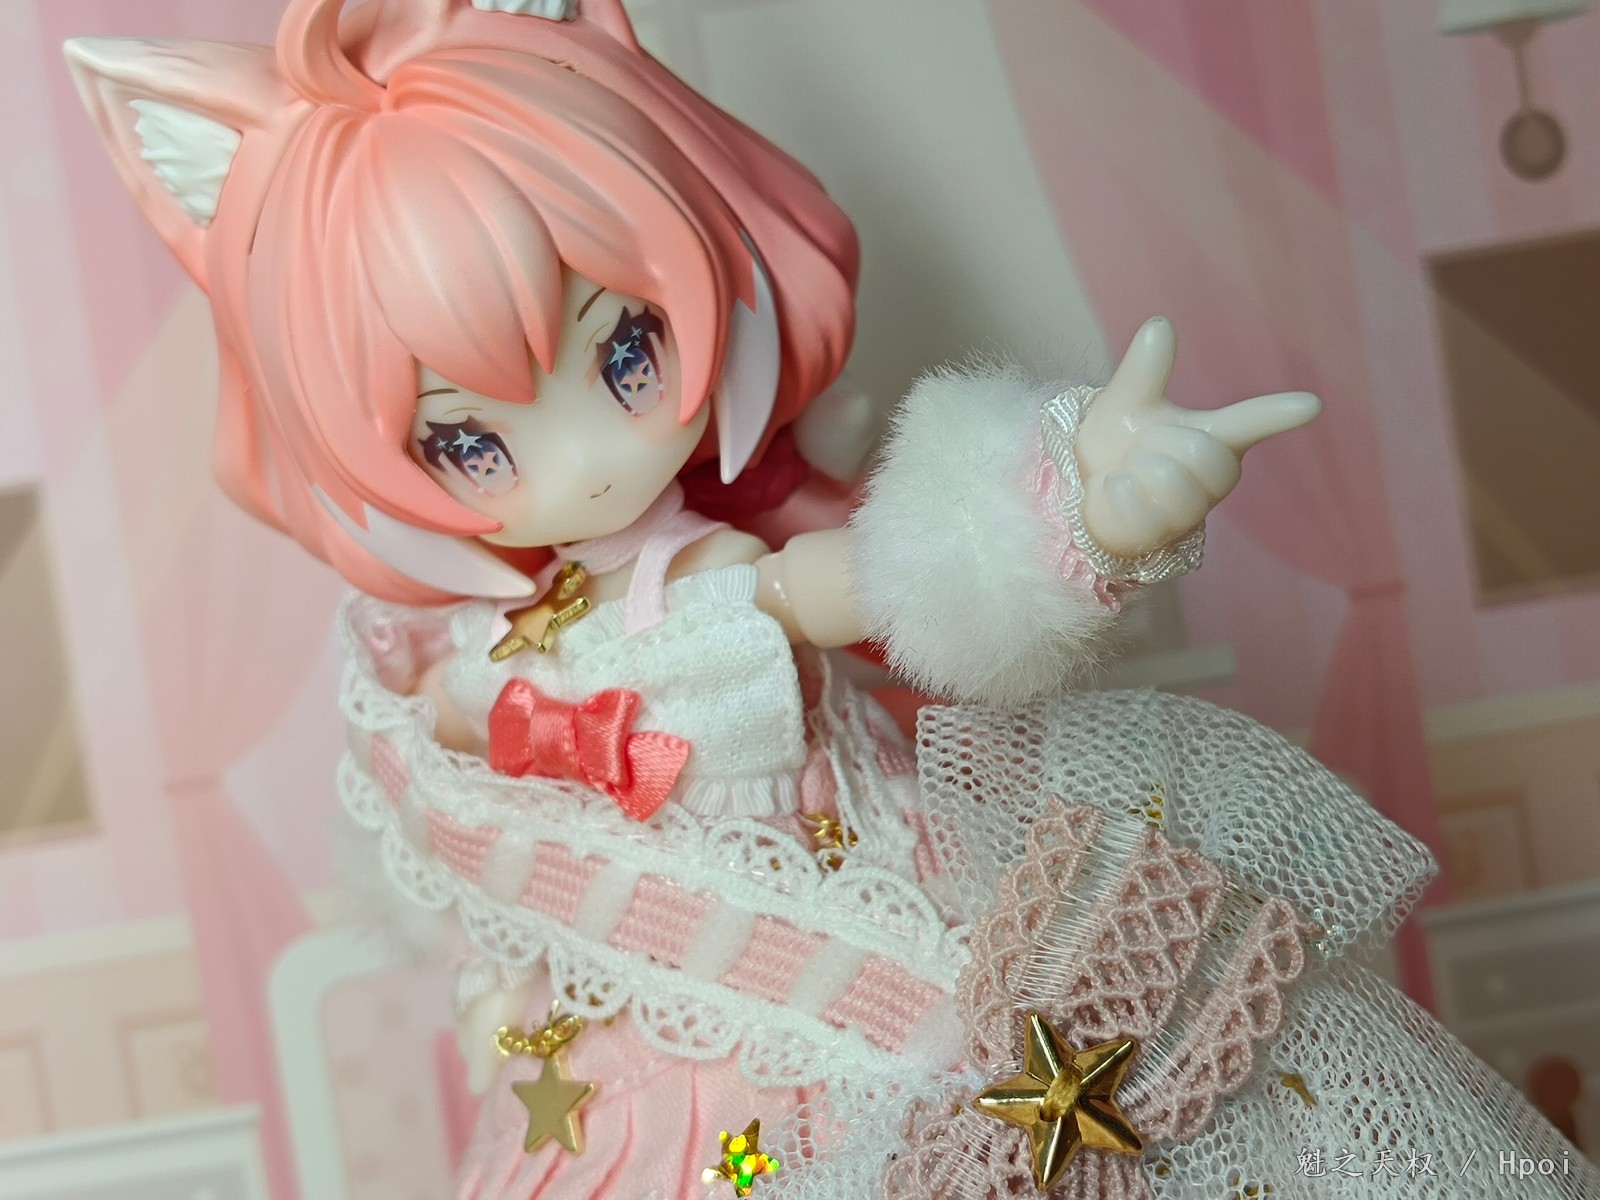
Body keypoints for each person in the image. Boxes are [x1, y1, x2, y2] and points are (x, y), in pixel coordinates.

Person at [65, 2, 1597, 1196]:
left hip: (884, 1003)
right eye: (466, 441)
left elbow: (880, 576)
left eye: (625, 350)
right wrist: (499, 982)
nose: (586, 459)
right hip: (629, 1083)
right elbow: (461, 861)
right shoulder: (438, 667)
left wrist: (1072, 508)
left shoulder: (718, 577)